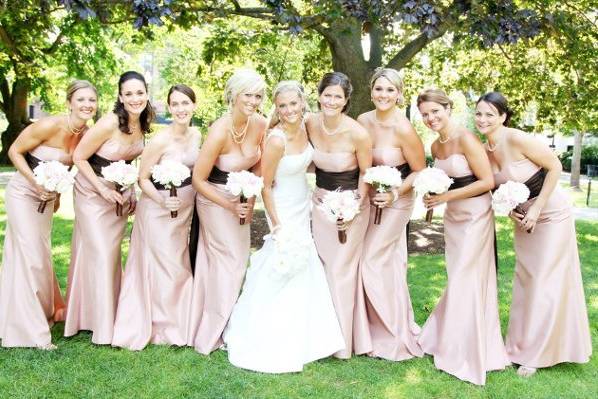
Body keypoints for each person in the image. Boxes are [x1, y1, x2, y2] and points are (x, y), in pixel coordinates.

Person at [223, 81, 345, 372]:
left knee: (305, 264)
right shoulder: (276, 140)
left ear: (303, 102)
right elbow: (265, 185)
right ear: (276, 109)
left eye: (293, 103)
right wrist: (276, 224)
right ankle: (266, 331)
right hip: (282, 207)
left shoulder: (307, 128)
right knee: (282, 259)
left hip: (302, 201)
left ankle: (309, 334)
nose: (289, 110)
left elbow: (309, 163)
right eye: (282, 105)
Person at [476, 92, 591, 377]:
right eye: (479, 113)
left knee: (544, 281)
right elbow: (495, 186)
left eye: (490, 114)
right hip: (524, 221)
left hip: (551, 215)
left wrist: (537, 208)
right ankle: (518, 345)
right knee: (526, 280)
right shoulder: (484, 149)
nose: (483, 119)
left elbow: (555, 167)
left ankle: (536, 355)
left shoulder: (517, 139)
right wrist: (511, 210)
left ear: (503, 116)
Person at [416, 89, 509, 385]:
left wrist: (446, 195)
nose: (431, 118)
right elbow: (444, 179)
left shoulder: (467, 138)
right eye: (425, 114)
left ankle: (466, 349)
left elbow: (487, 181)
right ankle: (453, 339)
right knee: (457, 275)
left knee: (466, 278)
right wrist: (434, 195)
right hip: (453, 216)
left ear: (448, 108)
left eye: (435, 111)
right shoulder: (435, 145)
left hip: (475, 215)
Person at [0, 80, 97, 349]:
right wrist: (35, 183)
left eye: (92, 100)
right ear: (69, 102)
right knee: (30, 255)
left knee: (38, 256)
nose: (87, 105)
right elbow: (14, 152)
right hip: (23, 194)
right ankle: (33, 333)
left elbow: (66, 170)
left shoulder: (85, 134)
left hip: (47, 201)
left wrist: (57, 195)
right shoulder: (48, 125)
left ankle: (30, 312)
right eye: (81, 99)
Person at [65, 71, 153, 344]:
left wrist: (131, 191)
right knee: (101, 252)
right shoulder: (109, 122)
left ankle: (93, 315)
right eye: (128, 93)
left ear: (146, 94)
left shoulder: (144, 123)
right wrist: (101, 187)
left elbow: (128, 162)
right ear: (120, 97)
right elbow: (78, 156)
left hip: (118, 195)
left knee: (110, 254)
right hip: (91, 192)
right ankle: (102, 327)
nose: (135, 98)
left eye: (139, 93)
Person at [112, 84, 200, 350]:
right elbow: (143, 178)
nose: (181, 109)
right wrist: (162, 199)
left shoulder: (197, 135)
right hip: (157, 210)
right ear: (169, 108)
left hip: (183, 210)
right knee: (165, 265)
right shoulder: (160, 140)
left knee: (178, 262)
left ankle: (178, 321)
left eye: (186, 103)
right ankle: (159, 324)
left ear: (194, 106)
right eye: (175, 104)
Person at [187, 69, 267, 354]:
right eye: (248, 94)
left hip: (241, 199)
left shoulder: (260, 124)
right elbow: (198, 179)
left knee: (236, 261)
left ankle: (231, 323)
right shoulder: (219, 130)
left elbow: (260, 162)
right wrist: (230, 204)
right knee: (230, 262)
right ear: (234, 95)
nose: (253, 100)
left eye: (258, 95)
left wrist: (250, 193)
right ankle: (213, 332)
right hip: (214, 200)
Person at [355, 68, 426, 361]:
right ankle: (373, 327)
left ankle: (389, 333)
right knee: (388, 262)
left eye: (390, 90)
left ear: (399, 94)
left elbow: (420, 170)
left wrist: (395, 194)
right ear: (371, 91)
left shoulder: (404, 128)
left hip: (398, 200)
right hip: (370, 198)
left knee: (372, 258)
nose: (384, 95)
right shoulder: (361, 121)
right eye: (379, 89)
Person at [305, 72, 372, 359]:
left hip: (352, 206)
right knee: (319, 268)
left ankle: (342, 341)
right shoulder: (309, 122)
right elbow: (278, 127)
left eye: (338, 97)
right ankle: (319, 334)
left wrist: (353, 209)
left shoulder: (357, 133)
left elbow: (366, 176)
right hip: (320, 203)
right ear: (319, 95)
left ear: (345, 102)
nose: (331, 101)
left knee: (340, 270)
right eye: (327, 94)